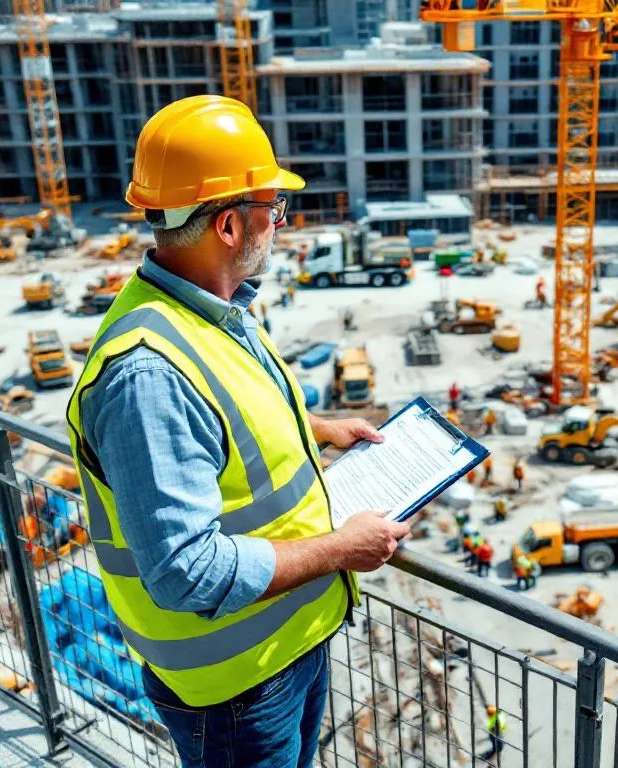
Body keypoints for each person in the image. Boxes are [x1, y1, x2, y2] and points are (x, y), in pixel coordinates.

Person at [66, 95, 409, 768]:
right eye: (273, 209)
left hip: (282, 651)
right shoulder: (147, 374)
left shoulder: (210, 313)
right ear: (228, 225)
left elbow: (218, 421)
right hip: (238, 689)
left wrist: (314, 428)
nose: (281, 224)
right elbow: (186, 574)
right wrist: (342, 549)